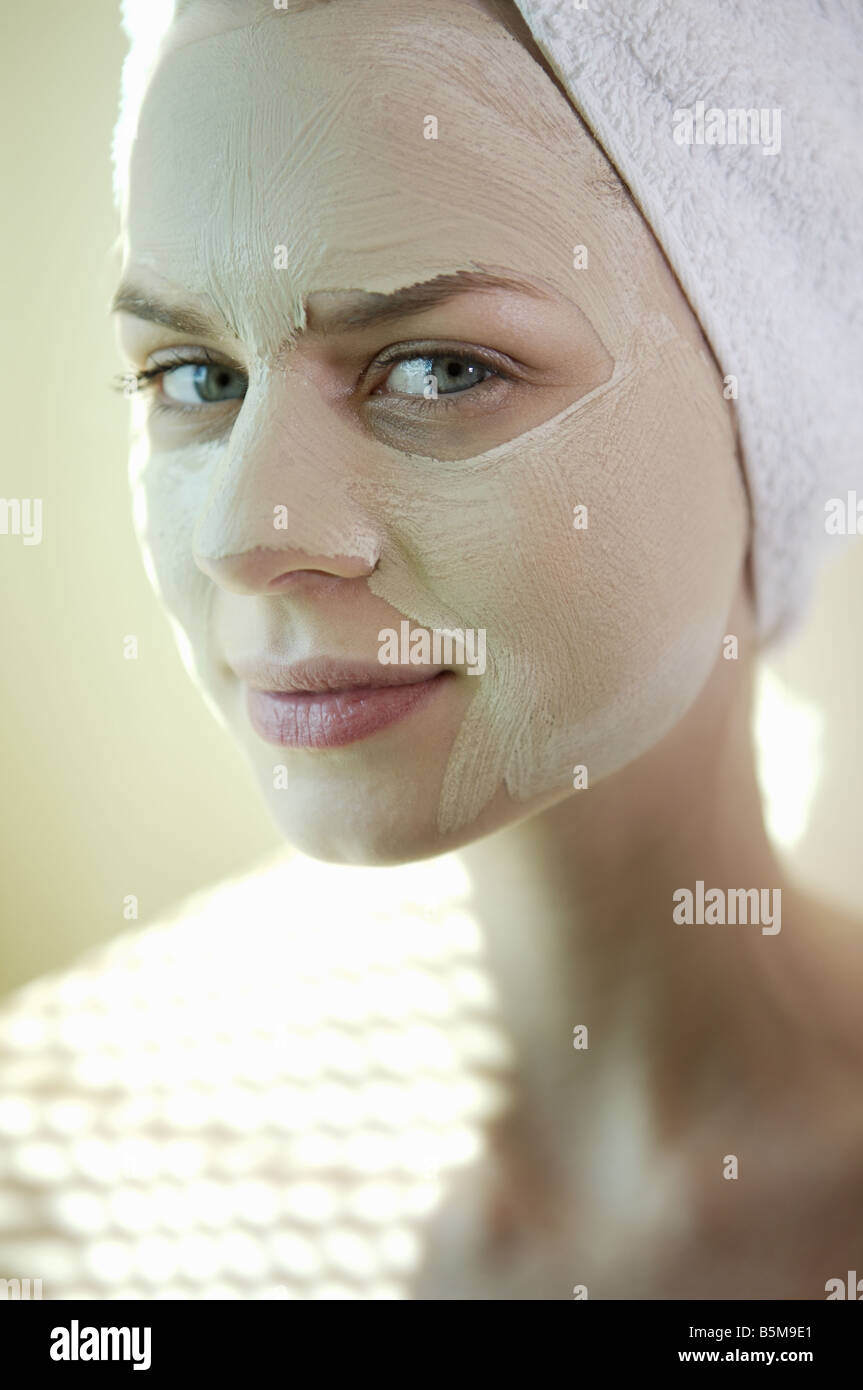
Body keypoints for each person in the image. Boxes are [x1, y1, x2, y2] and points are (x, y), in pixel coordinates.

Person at [1, 0, 861, 1300]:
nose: (245, 530)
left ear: (782, 384)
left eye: (443, 369)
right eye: (194, 376)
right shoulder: (70, 1174)